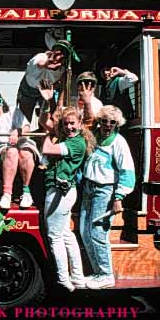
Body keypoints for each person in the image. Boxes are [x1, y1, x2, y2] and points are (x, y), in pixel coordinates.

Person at [40, 106, 96, 292]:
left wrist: (49, 132)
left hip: (60, 192)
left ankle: (64, 279)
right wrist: (48, 102)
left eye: (72, 123)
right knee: (66, 235)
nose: (69, 127)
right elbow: (43, 121)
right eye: (66, 124)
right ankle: (78, 279)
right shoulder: (69, 138)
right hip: (64, 191)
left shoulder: (76, 144)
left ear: (80, 124)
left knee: (54, 236)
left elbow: (47, 148)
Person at [80, 105, 136, 289]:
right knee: (84, 231)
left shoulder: (119, 142)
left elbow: (127, 171)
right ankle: (97, 273)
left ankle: (106, 274)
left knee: (97, 233)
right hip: (88, 187)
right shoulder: (93, 136)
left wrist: (119, 197)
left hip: (105, 190)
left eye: (112, 122)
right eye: (104, 121)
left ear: (117, 124)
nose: (107, 125)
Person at [0, 95, 40, 209]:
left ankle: (26, 192)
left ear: (1, 103)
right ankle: (7, 193)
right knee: (12, 152)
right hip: (5, 146)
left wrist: (17, 131)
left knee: (26, 153)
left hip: (22, 141)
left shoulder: (13, 111)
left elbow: (26, 127)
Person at [16, 40, 76, 124]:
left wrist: (59, 105)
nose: (59, 57)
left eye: (63, 55)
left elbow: (63, 86)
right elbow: (40, 63)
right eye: (57, 53)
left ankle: (43, 134)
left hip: (46, 88)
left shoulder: (62, 69)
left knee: (49, 119)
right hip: (29, 89)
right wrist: (48, 62)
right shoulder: (42, 56)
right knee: (23, 120)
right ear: (52, 52)